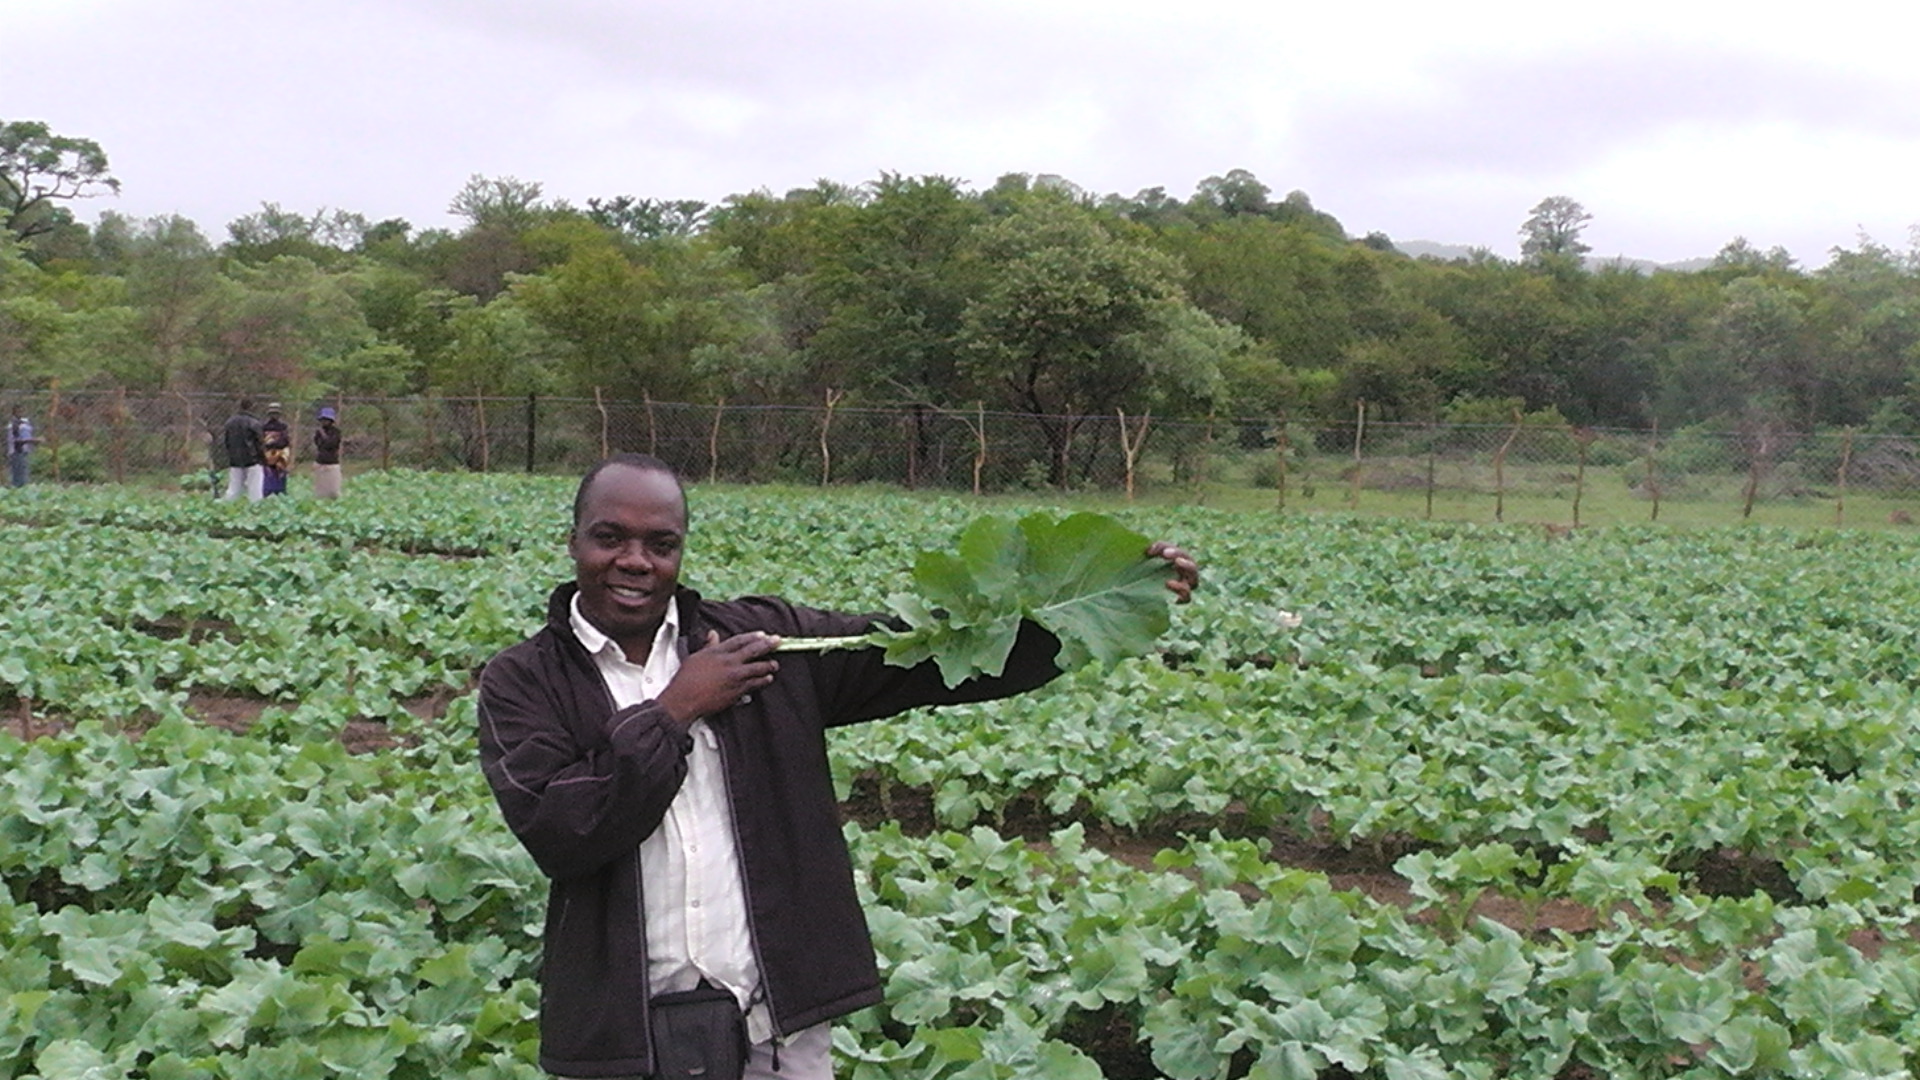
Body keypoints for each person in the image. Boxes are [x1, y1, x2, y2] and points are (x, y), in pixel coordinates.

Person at [477, 455, 1198, 1080]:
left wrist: (1115, 590)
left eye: (660, 544)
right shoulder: (523, 682)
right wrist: (675, 709)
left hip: (776, 1021)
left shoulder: (768, 646)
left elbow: (934, 659)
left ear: (681, 552)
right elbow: (563, 831)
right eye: (611, 538)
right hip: (624, 1030)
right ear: (573, 541)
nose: (635, 561)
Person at [221, 399, 265, 501]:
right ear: (252, 407)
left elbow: (226, 441)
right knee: (255, 487)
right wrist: (262, 458)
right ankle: (256, 507)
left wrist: (230, 455)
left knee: (234, 487)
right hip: (253, 459)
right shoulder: (254, 423)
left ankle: (228, 506)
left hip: (235, 459)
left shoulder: (230, 422)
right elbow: (259, 442)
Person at [260, 403, 291, 497]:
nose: (274, 416)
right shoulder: (264, 427)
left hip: (279, 456)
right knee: (268, 477)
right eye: (272, 413)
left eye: (276, 413)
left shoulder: (283, 427)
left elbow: (285, 441)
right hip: (267, 455)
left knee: (280, 476)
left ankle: (280, 492)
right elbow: (262, 441)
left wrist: (273, 444)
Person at [312, 407, 343, 498]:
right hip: (320, 462)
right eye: (323, 420)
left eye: (326, 420)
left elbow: (332, 444)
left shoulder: (336, 432)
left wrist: (324, 439)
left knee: (334, 491)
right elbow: (319, 444)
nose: (324, 422)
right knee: (320, 491)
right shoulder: (318, 432)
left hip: (332, 463)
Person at [7, 407, 38, 488]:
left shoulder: (24, 423)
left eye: (22, 411)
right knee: (19, 475)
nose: (21, 413)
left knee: (23, 472)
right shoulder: (15, 425)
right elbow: (17, 441)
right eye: (18, 411)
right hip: (17, 452)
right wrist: (33, 440)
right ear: (14, 413)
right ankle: (18, 489)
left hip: (24, 451)